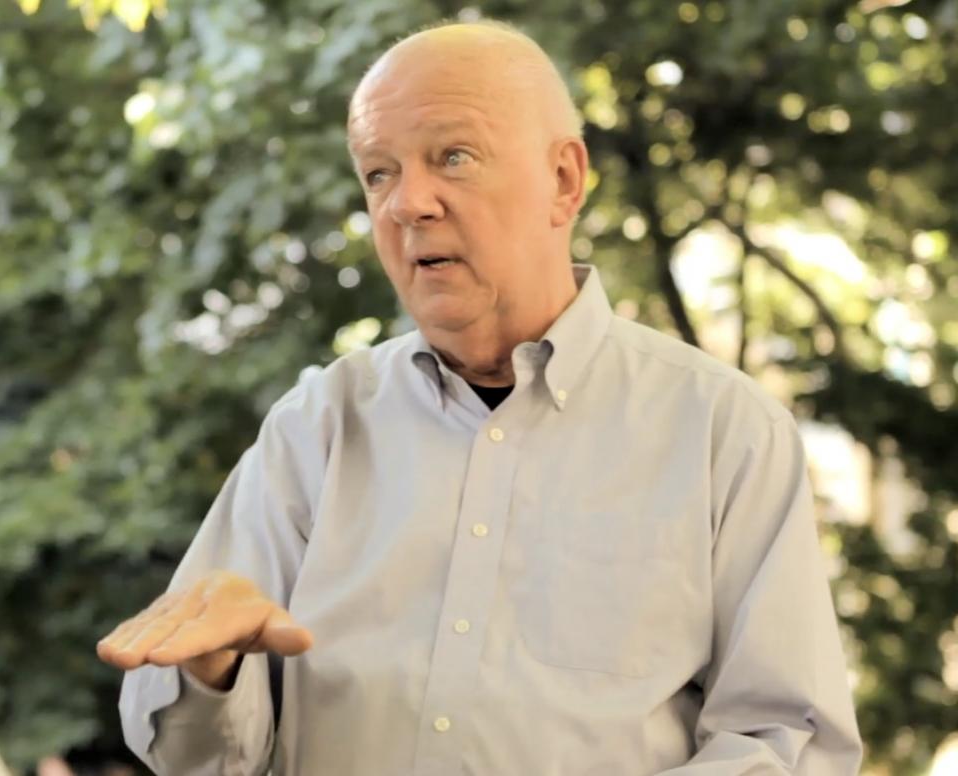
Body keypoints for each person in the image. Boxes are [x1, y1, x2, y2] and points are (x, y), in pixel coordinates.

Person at [97, 19, 863, 775]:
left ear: (563, 181)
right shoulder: (314, 430)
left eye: (453, 157)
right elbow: (192, 761)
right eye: (378, 173)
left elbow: (786, 744)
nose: (407, 203)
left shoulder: (723, 432)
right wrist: (215, 670)